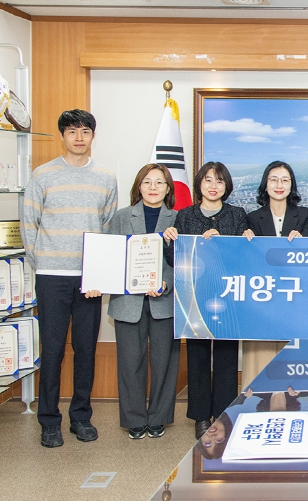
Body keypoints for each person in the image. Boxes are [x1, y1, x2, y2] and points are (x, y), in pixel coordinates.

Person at [21, 109, 117, 448]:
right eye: (72, 131)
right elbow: (29, 225)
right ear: (62, 135)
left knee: (86, 349)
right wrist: (43, 263)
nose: (79, 137)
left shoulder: (106, 177)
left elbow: (107, 228)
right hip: (51, 276)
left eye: (85, 131)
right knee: (52, 351)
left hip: (90, 279)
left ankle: (81, 417)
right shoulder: (42, 175)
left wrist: (99, 272)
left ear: (93, 136)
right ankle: (49, 421)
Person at [164, 161, 248, 439]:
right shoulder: (185, 215)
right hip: (195, 296)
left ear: (227, 186)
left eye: (219, 181)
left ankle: (223, 414)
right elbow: (175, 260)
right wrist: (170, 240)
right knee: (197, 356)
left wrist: (223, 241)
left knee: (226, 358)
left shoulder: (237, 215)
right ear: (199, 184)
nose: (213, 186)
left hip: (227, 296)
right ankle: (200, 416)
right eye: (208, 180)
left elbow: (242, 257)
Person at [106, 163, 179, 440]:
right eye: (147, 182)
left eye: (159, 182)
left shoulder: (178, 218)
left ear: (168, 188)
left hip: (164, 301)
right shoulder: (122, 217)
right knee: (129, 363)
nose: (153, 187)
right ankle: (134, 419)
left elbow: (184, 261)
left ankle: (158, 417)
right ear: (139, 186)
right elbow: (112, 257)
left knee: (164, 363)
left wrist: (165, 282)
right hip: (128, 301)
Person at [241, 160, 308, 388]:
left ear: (292, 185)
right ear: (265, 184)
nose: (279, 185)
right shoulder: (253, 218)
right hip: (263, 299)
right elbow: (249, 260)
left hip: (294, 298)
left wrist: (302, 243)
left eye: (285, 180)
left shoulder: (304, 215)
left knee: (291, 363)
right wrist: (244, 241)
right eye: (274, 180)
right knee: (259, 359)